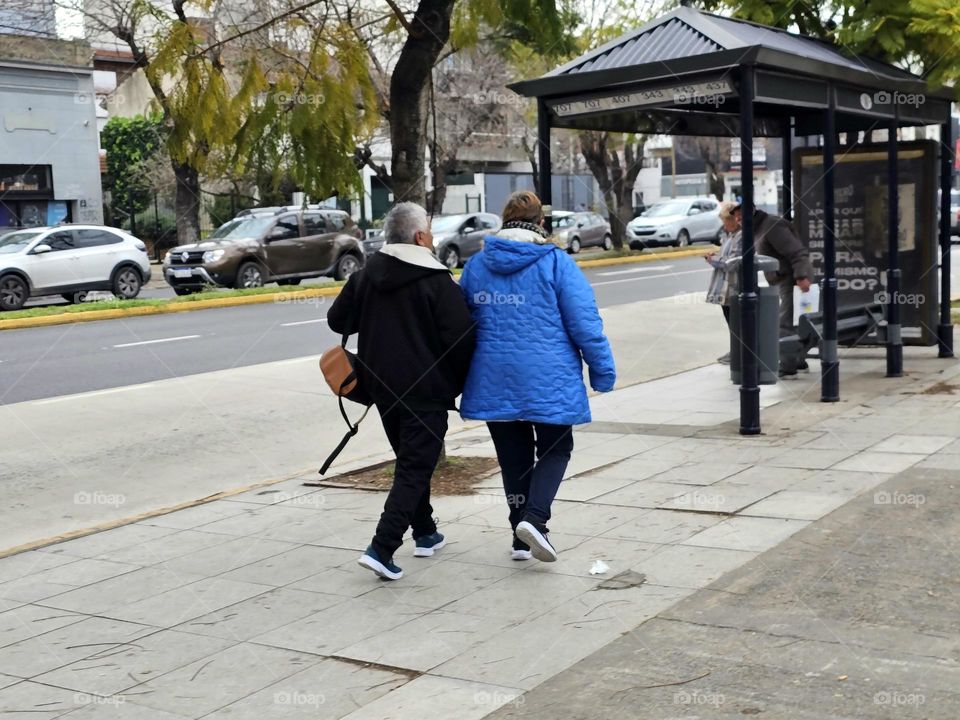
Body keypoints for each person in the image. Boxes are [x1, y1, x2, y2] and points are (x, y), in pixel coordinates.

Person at [459, 191, 616, 563]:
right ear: (540, 223)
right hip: (550, 377)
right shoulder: (556, 263)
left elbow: (462, 324)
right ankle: (535, 519)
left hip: (493, 376)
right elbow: (585, 324)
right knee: (556, 448)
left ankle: (519, 539)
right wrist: (602, 371)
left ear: (504, 219)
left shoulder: (477, 266)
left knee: (513, 458)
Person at [327, 202, 476, 581]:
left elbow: (337, 321)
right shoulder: (438, 282)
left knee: (412, 461)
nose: (433, 235)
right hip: (425, 391)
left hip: (380, 388)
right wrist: (455, 385)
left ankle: (425, 532)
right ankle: (382, 547)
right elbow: (462, 340)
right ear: (420, 236)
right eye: (430, 228)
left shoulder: (366, 275)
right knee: (413, 468)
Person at [733, 203, 814, 376]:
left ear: (752, 211)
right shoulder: (757, 229)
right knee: (794, 322)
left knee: (785, 324)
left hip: (791, 280)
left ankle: (788, 365)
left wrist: (801, 276)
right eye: (736, 216)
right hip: (781, 280)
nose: (738, 219)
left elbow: (797, 252)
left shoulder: (771, 226)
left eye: (741, 214)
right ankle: (797, 360)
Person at [705, 201, 742, 365]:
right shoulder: (731, 236)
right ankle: (735, 350)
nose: (724, 226)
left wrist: (713, 259)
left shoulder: (741, 236)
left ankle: (738, 352)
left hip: (733, 286)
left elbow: (732, 262)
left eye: (726, 222)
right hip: (726, 287)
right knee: (731, 322)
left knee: (736, 323)